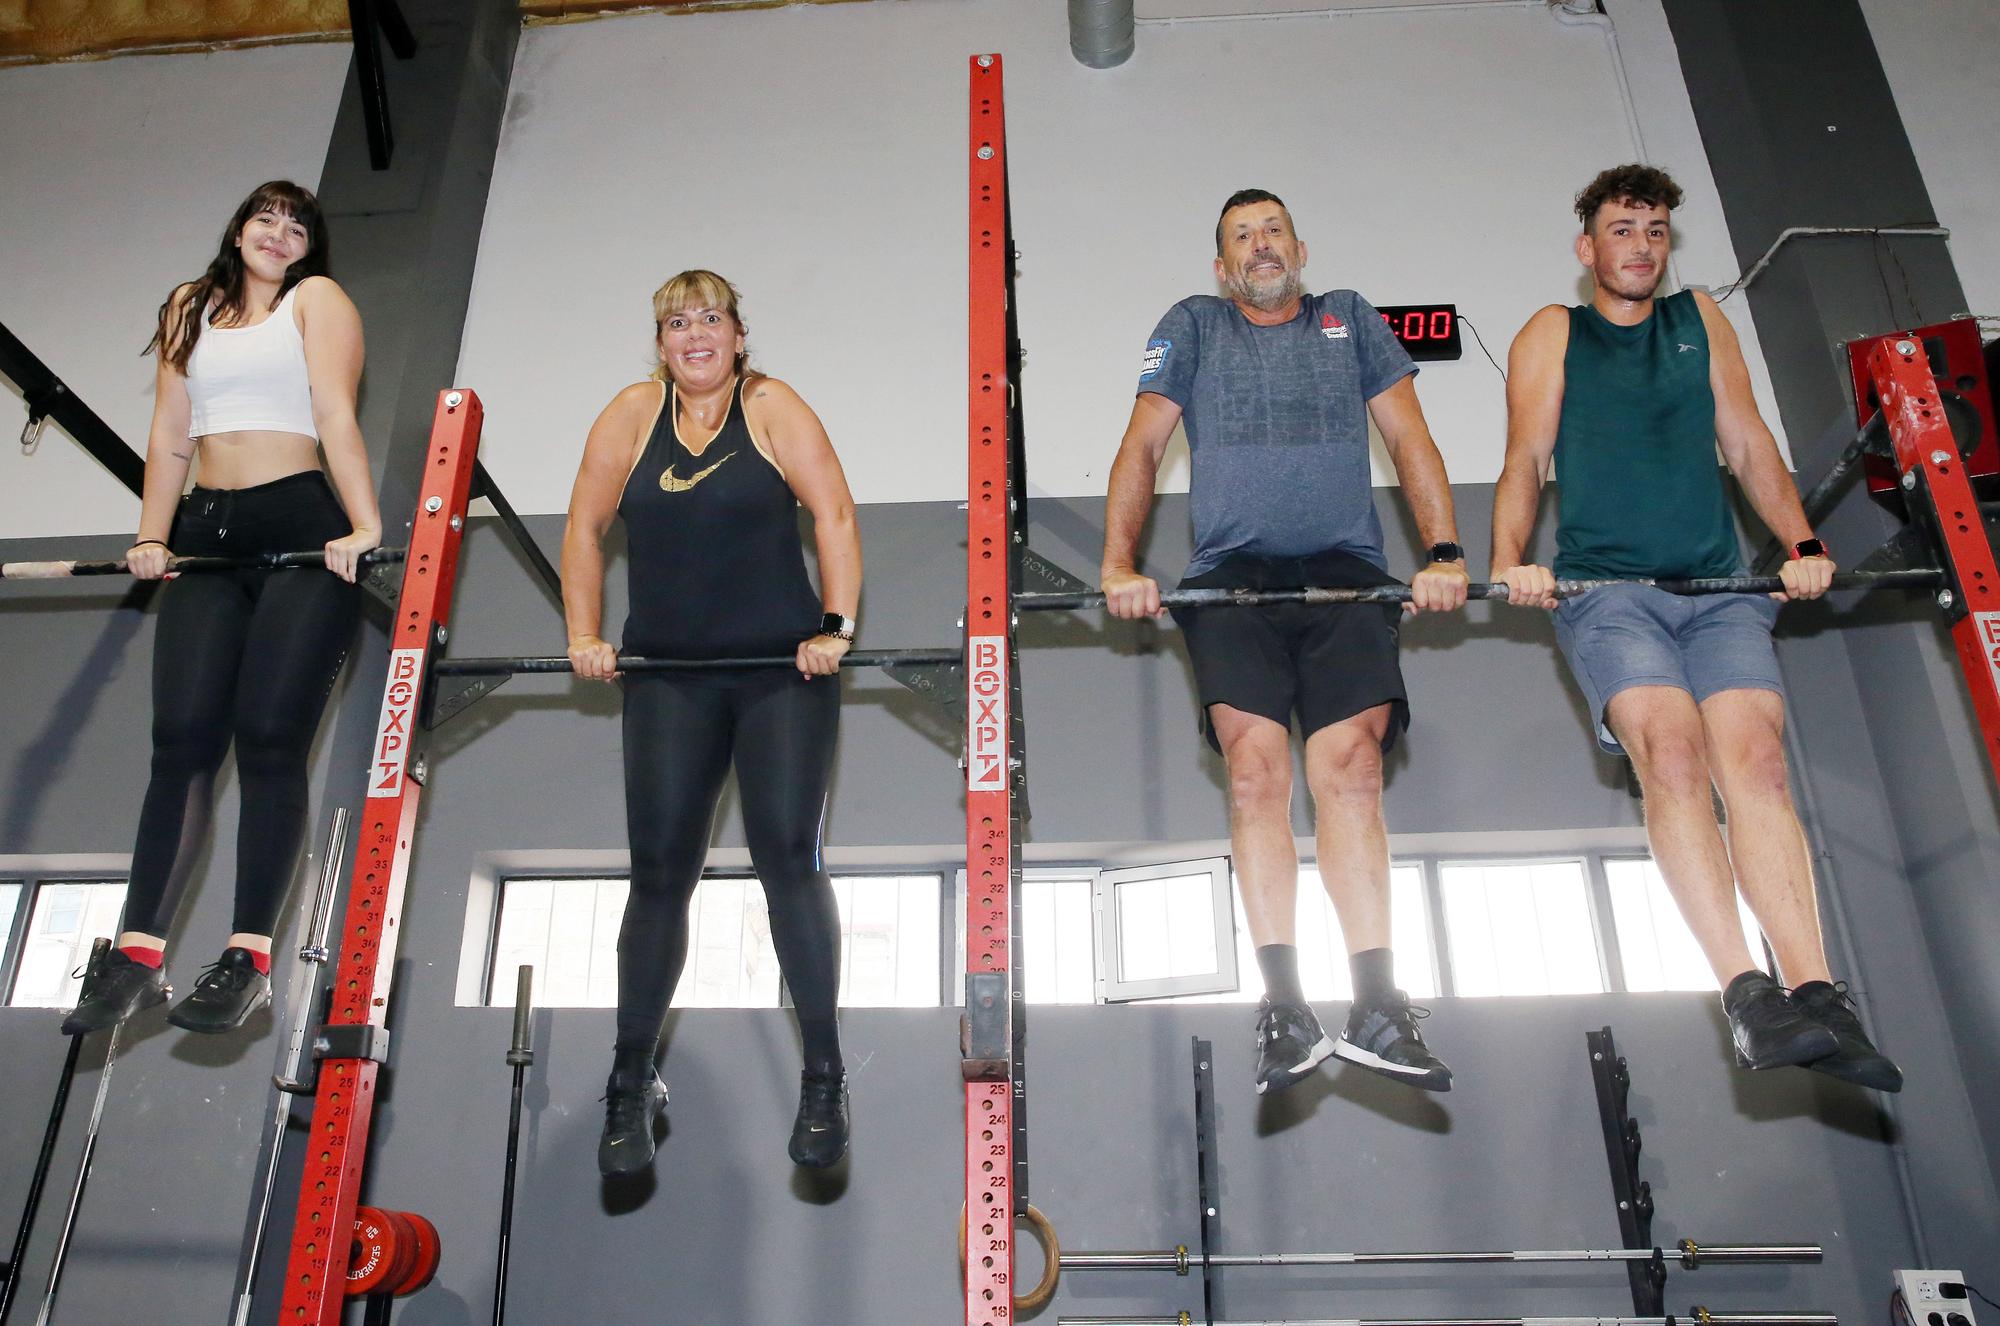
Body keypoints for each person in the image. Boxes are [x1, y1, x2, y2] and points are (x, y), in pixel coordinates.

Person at [1490, 164, 1900, 1091]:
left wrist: (1799, 539)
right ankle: (1749, 994)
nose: (1642, 246)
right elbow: (1525, 456)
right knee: (1671, 754)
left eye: (1656, 231)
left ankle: (1819, 992)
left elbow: (1750, 442)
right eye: (1623, 229)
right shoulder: (1553, 334)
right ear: (1587, 246)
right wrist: (1514, 555)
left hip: (1719, 588)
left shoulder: (1700, 321)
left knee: (1753, 761)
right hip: (1608, 590)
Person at [1102, 189, 1469, 1095]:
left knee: (1350, 770)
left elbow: (1410, 436)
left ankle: (1379, 1006)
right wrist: (1119, 563)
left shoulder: (1351, 320)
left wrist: (1447, 552)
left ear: (1300, 246)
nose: (1260, 246)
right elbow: (1143, 446)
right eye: (1241, 238)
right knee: (1257, 770)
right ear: (1222, 267)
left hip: (1345, 574)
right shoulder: (1194, 325)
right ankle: (1282, 1007)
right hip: (1231, 581)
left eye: (1273, 231)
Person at [62, 180, 381, 1037]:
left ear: (309, 247)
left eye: (297, 226)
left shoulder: (317, 301)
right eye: (264, 218)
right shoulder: (189, 305)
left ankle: (247, 957)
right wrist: (151, 535)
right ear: (238, 229)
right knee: (183, 743)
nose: (278, 234)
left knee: (271, 738)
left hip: (300, 522)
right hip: (208, 530)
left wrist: (362, 523)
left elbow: (333, 410)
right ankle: (136, 957)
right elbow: (171, 431)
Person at [563, 270, 863, 1172]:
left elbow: (835, 515)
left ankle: (823, 1074)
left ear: (738, 335)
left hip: (780, 672)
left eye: (711, 319)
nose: (695, 334)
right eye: (676, 322)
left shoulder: (771, 407)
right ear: (660, 342)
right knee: (659, 873)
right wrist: (582, 633)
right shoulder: (628, 414)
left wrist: (835, 628)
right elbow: (583, 529)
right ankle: (629, 1082)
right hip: (670, 677)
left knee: (787, 857)